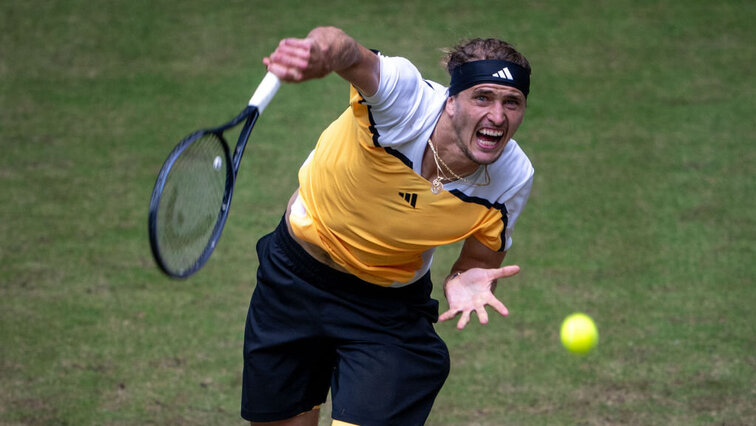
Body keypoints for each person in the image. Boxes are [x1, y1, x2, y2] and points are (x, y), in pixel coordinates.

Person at [242, 26, 534, 426]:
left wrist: (468, 277)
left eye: (512, 102)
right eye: (482, 97)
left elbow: (480, 260)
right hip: (294, 279)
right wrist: (315, 51)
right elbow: (345, 49)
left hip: (386, 309)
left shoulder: (511, 179)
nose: (497, 117)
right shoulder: (405, 101)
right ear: (451, 101)